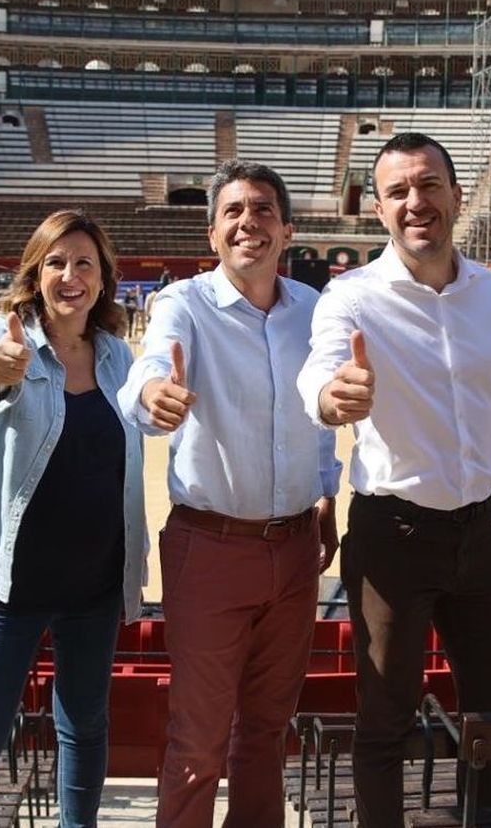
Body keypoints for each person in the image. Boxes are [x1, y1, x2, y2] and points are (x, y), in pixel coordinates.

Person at [296, 132, 491, 828]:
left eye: (429, 185)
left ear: (457, 195)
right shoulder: (350, 298)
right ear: (379, 209)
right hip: (393, 536)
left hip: (480, 532)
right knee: (385, 717)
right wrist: (332, 397)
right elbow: (319, 375)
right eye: (399, 191)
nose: (416, 202)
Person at [118, 161, 340, 828]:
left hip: (296, 548)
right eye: (234, 211)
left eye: (264, 209)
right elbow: (150, 368)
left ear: (288, 230)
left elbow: (318, 417)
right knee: (199, 742)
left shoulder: (314, 310)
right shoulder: (182, 304)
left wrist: (327, 493)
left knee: (267, 733)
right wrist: (151, 395)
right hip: (210, 547)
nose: (250, 222)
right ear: (212, 233)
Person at [0, 209, 148, 826]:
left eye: (84, 263)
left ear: (103, 278)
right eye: (56, 262)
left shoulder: (118, 357)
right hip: (7, 586)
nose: (70, 275)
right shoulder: (2, 337)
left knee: (85, 728)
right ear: (35, 273)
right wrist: (1, 367)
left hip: (95, 584)